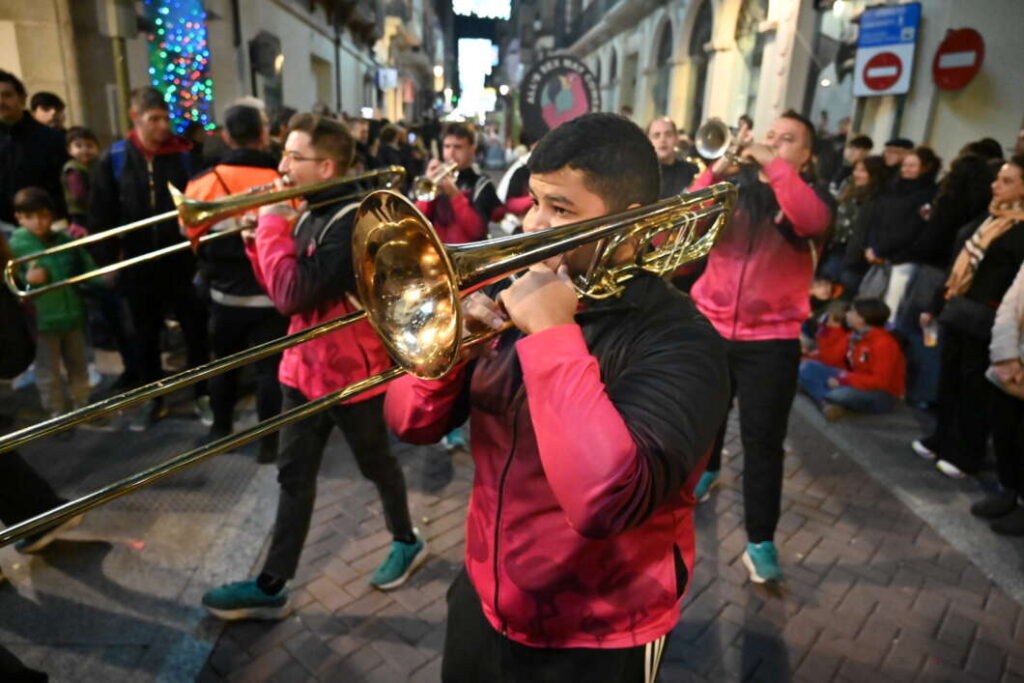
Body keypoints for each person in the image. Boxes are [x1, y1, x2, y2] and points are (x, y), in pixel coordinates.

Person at [385, 112, 729, 681]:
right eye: (534, 202)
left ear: (628, 221)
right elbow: (408, 423)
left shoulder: (682, 341)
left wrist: (551, 336)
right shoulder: (512, 292)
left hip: (600, 635)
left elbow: (606, 501)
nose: (531, 226)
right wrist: (447, 357)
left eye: (561, 210)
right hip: (483, 598)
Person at [201, 114, 425, 621]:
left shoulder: (351, 221)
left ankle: (407, 539)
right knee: (293, 477)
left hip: (352, 375)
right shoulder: (308, 213)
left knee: (377, 465)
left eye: (293, 157)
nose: (281, 166)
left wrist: (272, 224)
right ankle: (272, 584)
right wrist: (257, 239)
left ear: (325, 166)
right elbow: (282, 289)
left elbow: (291, 293)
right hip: (302, 371)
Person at [688, 110, 832, 584]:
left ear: (805, 156)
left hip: (771, 341)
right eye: (769, 137)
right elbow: (683, 223)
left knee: (762, 442)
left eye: (787, 140)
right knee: (705, 416)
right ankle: (704, 472)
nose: (771, 144)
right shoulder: (734, 190)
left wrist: (773, 165)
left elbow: (810, 220)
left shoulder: (810, 197)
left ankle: (761, 540)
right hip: (710, 326)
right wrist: (716, 172)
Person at [88, 86, 211, 431]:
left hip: (181, 263)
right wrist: (108, 261)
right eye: (153, 119)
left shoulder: (186, 156)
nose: (162, 127)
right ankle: (154, 398)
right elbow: (101, 215)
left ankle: (203, 392)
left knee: (196, 330)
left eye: (165, 118)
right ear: (135, 118)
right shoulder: (114, 159)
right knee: (145, 335)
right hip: (138, 265)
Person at [182, 104, 288, 461]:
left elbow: (189, 235)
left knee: (222, 365)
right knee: (269, 372)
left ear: (226, 136)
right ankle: (270, 444)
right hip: (272, 296)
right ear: (264, 134)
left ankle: (220, 430)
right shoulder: (283, 179)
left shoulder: (204, 181)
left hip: (224, 296)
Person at [913, 155, 1024, 479]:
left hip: (987, 317)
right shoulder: (989, 217)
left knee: (972, 387)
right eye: (997, 179)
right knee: (949, 380)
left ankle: (966, 451)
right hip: (959, 308)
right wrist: (937, 303)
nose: (996, 186)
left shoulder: (1018, 229)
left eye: (1006, 181)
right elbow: (958, 262)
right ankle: (942, 438)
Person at [8, 187, 105, 423]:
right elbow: (13, 289)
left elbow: (85, 267)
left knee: (79, 365)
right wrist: (27, 282)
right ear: (18, 218)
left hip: (72, 315)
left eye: (43, 215)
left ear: (51, 215)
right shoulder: (14, 247)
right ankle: (56, 415)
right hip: (41, 322)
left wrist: (105, 278)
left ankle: (82, 406)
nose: (39, 222)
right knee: (48, 372)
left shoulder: (64, 239)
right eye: (30, 217)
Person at [864, 146, 941, 317]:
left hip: (904, 260)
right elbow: (877, 219)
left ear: (925, 168)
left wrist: (880, 249)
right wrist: (872, 246)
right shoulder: (892, 188)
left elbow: (913, 229)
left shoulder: (928, 195)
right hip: (880, 256)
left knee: (892, 307)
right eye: (905, 165)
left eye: (913, 166)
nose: (906, 170)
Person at [798, 298, 905, 421]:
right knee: (807, 367)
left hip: (882, 394)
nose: (847, 315)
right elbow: (829, 359)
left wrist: (844, 379)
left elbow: (880, 382)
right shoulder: (855, 335)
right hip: (856, 380)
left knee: (838, 394)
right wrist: (826, 330)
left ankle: (819, 395)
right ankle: (824, 401)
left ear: (861, 319)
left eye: (852, 312)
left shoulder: (884, 344)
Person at [976, 261, 1024, 535]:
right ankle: (1008, 489)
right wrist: (1006, 356)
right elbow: (1011, 303)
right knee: (1004, 431)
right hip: (1011, 363)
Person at [0, 70, 68, 225]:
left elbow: (62, 189)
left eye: (7, 95)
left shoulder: (52, 138)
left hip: (42, 227)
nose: (0, 101)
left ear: (23, 98)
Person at [415, 122, 501, 244]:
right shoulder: (436, 178)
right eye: (447, 146)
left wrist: (454, 195)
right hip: (436, 253)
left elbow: (476, 231)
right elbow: (417, 221)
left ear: (472, 149)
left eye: (458, 147)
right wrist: (429, 181)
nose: (451, 153)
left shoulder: (482, 183)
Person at [647, 116, 699, 198]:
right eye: (656, 135)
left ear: (676, 139)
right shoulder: (640, 175)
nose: (662, 140)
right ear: (648, 141)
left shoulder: (691, 170)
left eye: (668, 135)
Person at [62, 126, 100, 229]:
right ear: (69, 150)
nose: (85, 150)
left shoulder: (98, 166)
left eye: (90, 146)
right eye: (79, 146)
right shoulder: (73, 169)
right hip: (82, 215)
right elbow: (79, 195)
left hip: (98, 211)